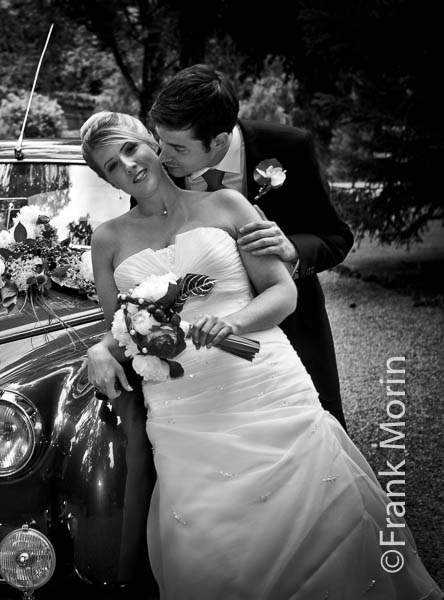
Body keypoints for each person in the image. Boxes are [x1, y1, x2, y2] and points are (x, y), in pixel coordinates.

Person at [81, 110, 442, 599]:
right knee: (209, 538)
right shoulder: (107, 241)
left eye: (130, 149)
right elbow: (120, 324)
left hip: (261, 380)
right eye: (111, 166)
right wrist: (101, 348)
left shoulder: (229, 205)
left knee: (317, 517)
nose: (128, 166)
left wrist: (232, 324)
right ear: (106, 179)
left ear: (153, 143)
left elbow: (281, 293)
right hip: (182, 409)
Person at [146, 63, 353, 429]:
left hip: (291, 323)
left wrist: (292, 250)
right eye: (160, 141)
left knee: (314, 431)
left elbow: (336, 236)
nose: (162, 157)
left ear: (220, 142)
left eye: (177, 147)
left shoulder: (289, 147)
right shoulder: (158, 170)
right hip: (203, 343)